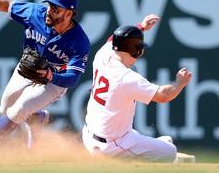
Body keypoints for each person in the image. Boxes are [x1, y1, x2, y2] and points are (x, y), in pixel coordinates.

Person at [0, 0, 90, 156]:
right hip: (27, 68)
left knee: (20, 109)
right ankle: (36, 117)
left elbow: (73, 78)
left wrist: (51, 75)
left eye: (56, 10)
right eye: (49, 6)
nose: (49, 12)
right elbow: (6, 5)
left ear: (69, 14)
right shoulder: (35, 13)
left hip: (52, 81)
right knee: (6, 108)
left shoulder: (80, 41)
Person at [82, 20, 193, 163]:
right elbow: (164, 95)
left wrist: (141, 26)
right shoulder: (127, 77)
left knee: (162, 140)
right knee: (170, 152)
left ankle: (155, 146)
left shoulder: (102, 55)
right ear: (136, 51)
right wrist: (180, 82)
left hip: (89, 135)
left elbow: (112, 39)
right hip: (112, 146)